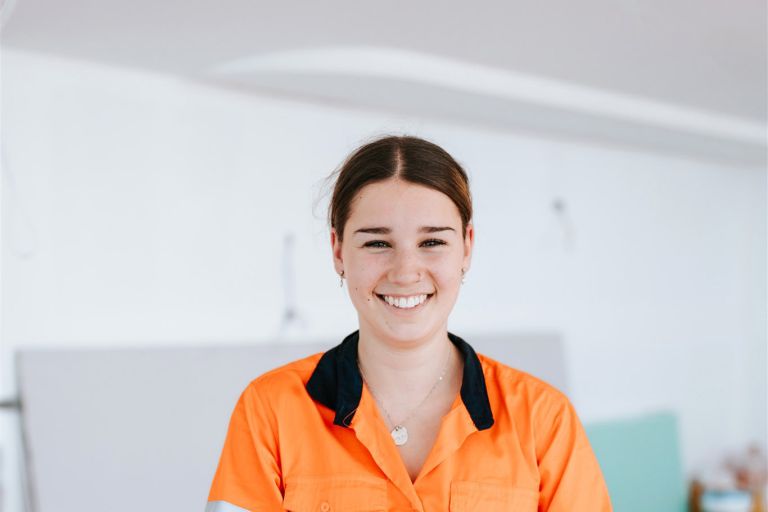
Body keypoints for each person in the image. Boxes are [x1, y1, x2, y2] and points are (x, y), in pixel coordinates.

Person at [206, 135, 612, 511]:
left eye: (432, 242)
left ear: (466, 247)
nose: (405, 271)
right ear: (338, 250)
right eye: (377, 243)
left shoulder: (544, 420)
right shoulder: (271, 410)